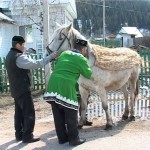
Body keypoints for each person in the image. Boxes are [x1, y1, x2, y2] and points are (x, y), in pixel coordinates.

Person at [5, 36, 58, 143]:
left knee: (19, 113)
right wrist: (50, 57)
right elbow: (35, 64)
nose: (25, 47)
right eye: (23, 45)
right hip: (23, 89)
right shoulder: (19, 57)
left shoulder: (10, 55)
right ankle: (28, 136)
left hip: (15, 89)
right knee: (29, 113)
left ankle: (19, 135)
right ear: (18, 45)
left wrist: (27, 54)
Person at [44, 39, 92, 146]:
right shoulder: (81, 59)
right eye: (85, 50)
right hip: (66, 86)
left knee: (58, 114)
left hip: (53, 84)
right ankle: (74, 140)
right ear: (83, 49)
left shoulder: (64, 53)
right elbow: (88, 74)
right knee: (71, 114)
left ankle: (62, 138)